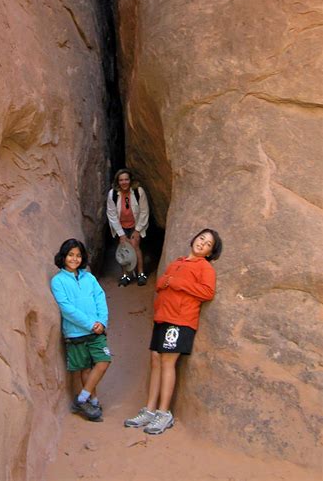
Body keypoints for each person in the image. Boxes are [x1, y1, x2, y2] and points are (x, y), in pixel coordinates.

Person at [124, 228, 223, 434]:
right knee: (155, 360)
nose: (202, 244)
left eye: (208, 245)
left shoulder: (205, 267)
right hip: (163, 317)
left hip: (180, 320)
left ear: (210, 253)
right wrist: (166, 283)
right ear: (194, 238)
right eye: (201, 238)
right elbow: (162, 283)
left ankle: (164, 413)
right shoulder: (177, 262)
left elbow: (207, 292)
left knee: (168, 362)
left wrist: (176, 283)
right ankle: (149, 410)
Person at [50, 238, 111, 422]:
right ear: (63, 256)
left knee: (103, 361)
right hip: (76, 332)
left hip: (96, 331)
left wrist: (102, 321)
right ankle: (93, 401)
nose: (74, 259)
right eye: (70, 255)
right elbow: (66, 308)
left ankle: (81, 398)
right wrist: (90, 324)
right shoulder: (58, 281)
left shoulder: (89, 278)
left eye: (78, 255)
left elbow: (100, 298)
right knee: (85, 368)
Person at [106, 168, 150, 286]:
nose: (124, 182)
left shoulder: (138, 191)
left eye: (126, 179)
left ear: (130, 180)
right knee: (123, 249)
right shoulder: (113, 194)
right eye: (121, 180)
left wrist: (137, 230)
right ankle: (125, 275)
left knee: (135, 246)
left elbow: (144, 211)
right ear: (117, 182)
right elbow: (112, 215)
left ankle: (140, 274)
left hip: (136, 224)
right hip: (120, 226)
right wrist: (121, 234)